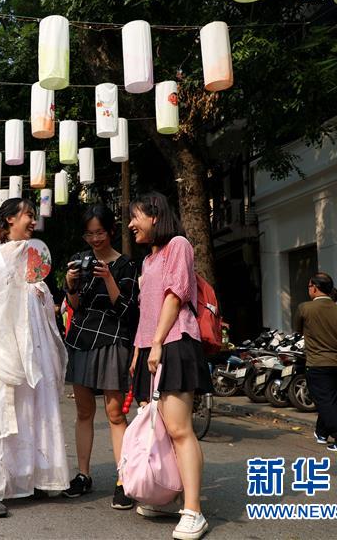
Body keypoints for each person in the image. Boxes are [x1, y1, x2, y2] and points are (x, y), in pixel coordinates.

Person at [0, 198, 70, 518]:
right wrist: (9, 259)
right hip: (1, 348)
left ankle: (36, 478)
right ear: (9, 219)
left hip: (31, 349)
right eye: (28, 216)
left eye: (34, 217)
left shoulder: (34, 255)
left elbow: (40, 295)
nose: (33, 222)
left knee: (32, 411)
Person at [128, 191, 212, 540]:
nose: (131, 224)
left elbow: (175, 296)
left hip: (175, 343)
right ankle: (166, 495)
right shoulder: (148, 261)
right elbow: (145, 313)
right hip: (152, 348)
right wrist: (138, 352)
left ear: (155, 215)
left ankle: (193, 511)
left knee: (178, 429)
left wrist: (159, 342)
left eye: (136, 217)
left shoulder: (179, 244)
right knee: (158, 428)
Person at [61, 204, 140, 508]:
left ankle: (123, 479)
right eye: (90, 234)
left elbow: (127, 311)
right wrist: (70, 286)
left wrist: (108, 278)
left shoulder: (126, 266)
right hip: (81, 339)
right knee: (83, 412)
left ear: (110, 231)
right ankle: (83, 475)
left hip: (112, 341)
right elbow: (74, 305)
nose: (95, 239)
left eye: (100, 233)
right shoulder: (79, 261)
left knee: (115, 413)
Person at [294, 272, 337, 453]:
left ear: (314, 287)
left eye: (308, 286)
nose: (308, 289)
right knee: (332, 402)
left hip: (318, 364)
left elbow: (298, 330)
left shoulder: (304, 309)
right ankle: (321, 433)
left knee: (327, 403)